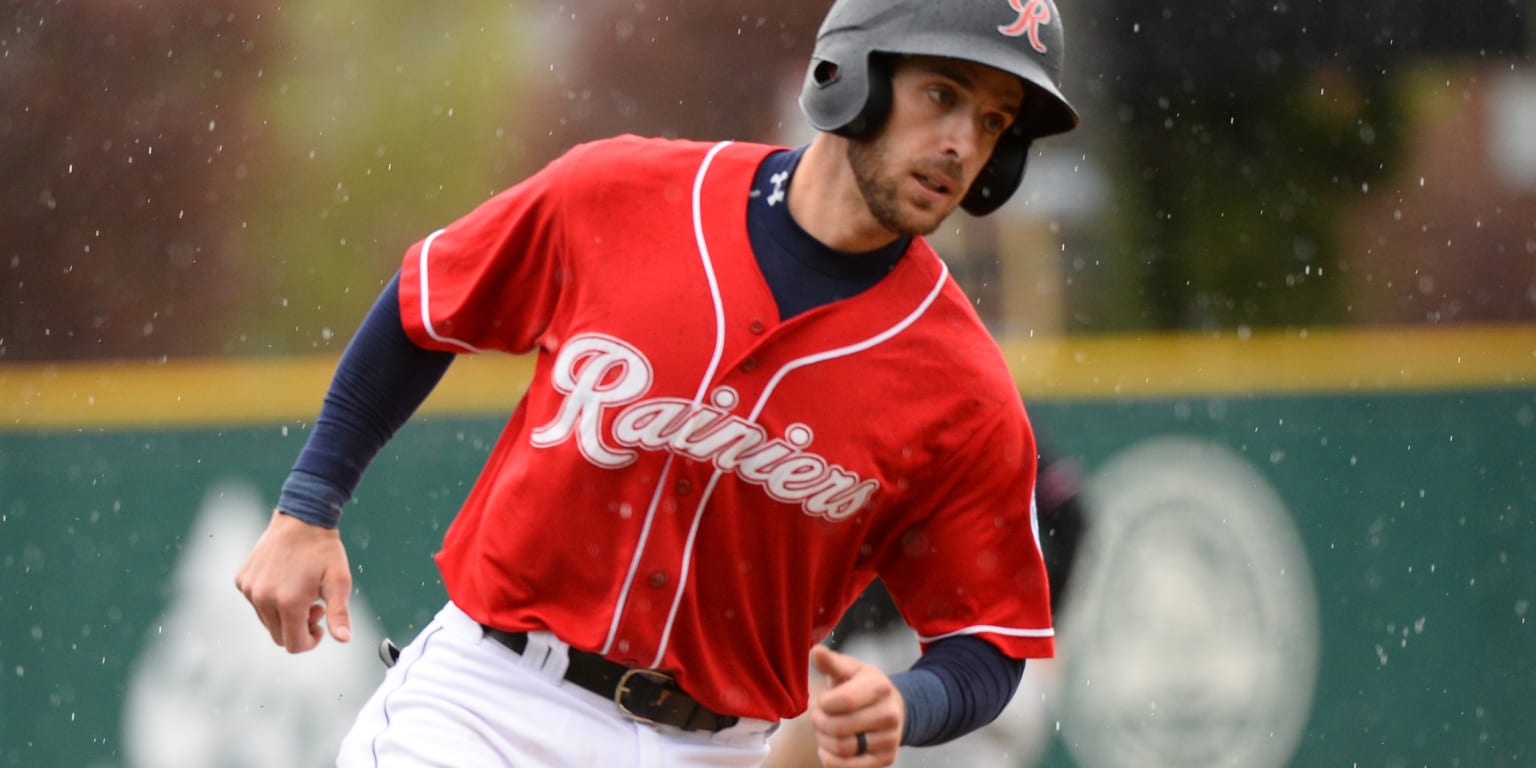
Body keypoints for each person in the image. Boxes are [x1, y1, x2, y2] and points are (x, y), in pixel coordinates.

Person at [234, 0, 1080, 765]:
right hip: (487, 703)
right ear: (852, 74)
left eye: (996, 121)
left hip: (715, 748)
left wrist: (910, 699)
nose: (965, 142)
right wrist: (309, 505)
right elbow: (428, 305)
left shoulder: (962, 385)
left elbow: (991, 638)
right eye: (943, 94)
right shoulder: (623, 194)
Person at [763, 448, 1091, 768]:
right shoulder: (979, 423)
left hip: (941, 643)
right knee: (822, 730)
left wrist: (1045, 619)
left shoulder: (986, 419)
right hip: (945, 641)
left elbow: (1069, 512)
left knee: (826, 729)